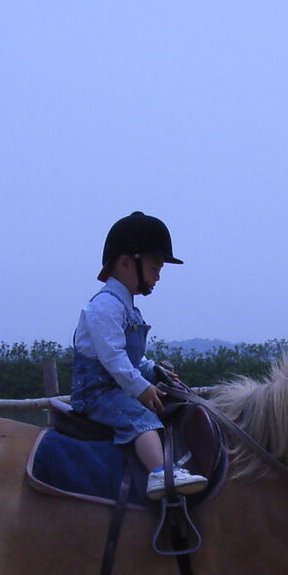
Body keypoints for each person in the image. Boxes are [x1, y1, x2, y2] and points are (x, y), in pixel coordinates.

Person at [71, 211, 206, 500]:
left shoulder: (127, 307)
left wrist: (154, 370)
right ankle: (160, 473)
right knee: (141, 419)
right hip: (98, 391)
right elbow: (114, 360)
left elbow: (134, 360)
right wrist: (142, 389)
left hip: (118, 383)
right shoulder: (105, 306)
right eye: (155, 268)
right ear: (125, 262)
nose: (158, 276)